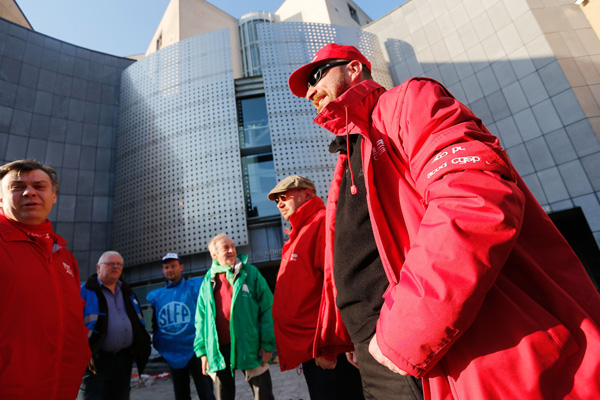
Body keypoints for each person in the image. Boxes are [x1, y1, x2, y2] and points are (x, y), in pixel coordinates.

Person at [287, 43, 600, 399]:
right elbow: (347, 264)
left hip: (436, 348)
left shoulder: (408, 101)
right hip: (380, 356)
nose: (310, 91)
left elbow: (472, 200)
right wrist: (344, 338)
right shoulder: (348, 158)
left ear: (354, 69)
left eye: (316, 76)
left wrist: (401, 335)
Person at [0, 159, 91, 399]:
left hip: (63, 389)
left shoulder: (64, 256)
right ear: (0, 198)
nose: (30, 192)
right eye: (16, 187)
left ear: (53, 197)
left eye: (39, 186)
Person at [268, 175, 364, 400]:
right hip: (313, 350)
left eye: (284, 197)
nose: (279, 203)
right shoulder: (299, 232)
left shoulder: (320, 223)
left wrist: (329, 345)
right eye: (276, 201)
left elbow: (335, 286)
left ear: (308, 194)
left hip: (326, 350)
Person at [194, 233, 275, 400]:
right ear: (214, 255)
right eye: (226, 248)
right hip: (218, 350)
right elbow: (200, 319)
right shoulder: (207, 281)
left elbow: (268, 308)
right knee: (223, 396)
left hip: (251, 346)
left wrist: (267, 344)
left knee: (264, 395)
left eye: (233, 247)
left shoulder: (250, 273)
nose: (232, 250)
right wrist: (202, 352)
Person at [79, 251, 151, 400]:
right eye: (110, 264)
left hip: (123, 361)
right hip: (95, 363)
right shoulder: (83, 291)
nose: (115, 267)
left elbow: (138, 321)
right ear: (98, 268)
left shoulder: (127, 291)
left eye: (119, 264)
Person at [146, 253, 216, 400]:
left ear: (181, 267)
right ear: (163, 270)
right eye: (166, 267)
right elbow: (156, 323)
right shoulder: (157, 296)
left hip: (197, 350)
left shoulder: (194, 287)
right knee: (181, 394)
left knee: (206, 392)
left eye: (173, 266)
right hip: (173, 353)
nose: (170, 270)